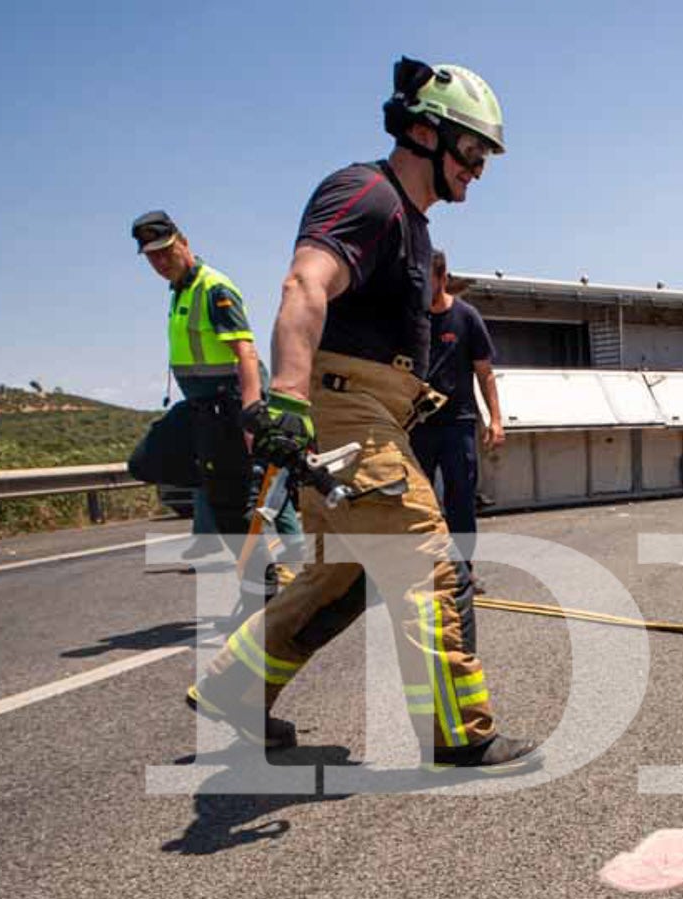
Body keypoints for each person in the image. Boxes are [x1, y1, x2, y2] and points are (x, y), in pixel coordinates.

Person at [185, 57, 535, 767]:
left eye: (485, 156)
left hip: (368, 413)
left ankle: (235, 687)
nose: (479, 168)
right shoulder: (367, 195)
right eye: (471, 149)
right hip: (346, 413)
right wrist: (284, 395)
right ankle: (458, 733)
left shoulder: (412, 225)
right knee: (428, 560)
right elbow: (305, 282)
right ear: (423, 132)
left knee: (340, 576)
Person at [127, 213, 300, 548]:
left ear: (184, 242)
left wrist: (252, 413)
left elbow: (245, 352)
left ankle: (293, 559)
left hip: (232, 403)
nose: (161, 261)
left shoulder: (213, 287)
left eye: (166, 251)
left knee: (259, 487)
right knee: (150, 462)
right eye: (152, 257)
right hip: (202, 406)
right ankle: (247, 546)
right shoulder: (180, 289)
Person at [414, 250, 504, 613]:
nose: (422, 289)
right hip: (416, 425)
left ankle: (464, 571)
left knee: (461, 500)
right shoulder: (412, 317)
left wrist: (495, 420)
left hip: (458, 424)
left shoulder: (466, 317)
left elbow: (485, 373)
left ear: (442, 276)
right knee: (416, 502)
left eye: (428, 281)